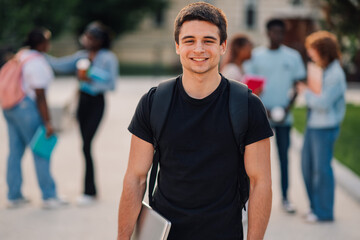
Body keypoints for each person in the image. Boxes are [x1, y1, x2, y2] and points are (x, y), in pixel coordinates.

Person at [117, 3, 273, 240]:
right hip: (165, 233)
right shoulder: (154, 102)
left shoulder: (247, 105)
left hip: (224, 233)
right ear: (178, 46)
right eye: (189, 40)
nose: (198, 49)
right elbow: (135, 178)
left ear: (223, 47)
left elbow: (260, 183)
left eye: (208, 41)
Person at [46, 21, 118, 206]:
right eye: (87, 36)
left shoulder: (108, 58)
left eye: (92, 37)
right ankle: (89, 191)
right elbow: (60, 65)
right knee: (84, 146)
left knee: (86, 145)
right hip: (82, 103)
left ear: (100, 40)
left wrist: (91, 75)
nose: (87, 40)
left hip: (97, 103)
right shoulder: (81, 56)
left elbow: (111, 84)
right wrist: (39, 54)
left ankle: (89, 191)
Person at [245, 18, 306, 213]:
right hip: (259, 118)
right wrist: (264, 109)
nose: (277, 36)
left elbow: (298, 85)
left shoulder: (293, 56)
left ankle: (286, 198)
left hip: (284, 118)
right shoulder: (256, 56)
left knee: (284, 158)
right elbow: (250, 87)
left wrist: (287, 108)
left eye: (280, 32)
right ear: (267, 32)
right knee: (254, 161)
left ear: (283, 34)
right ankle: (248, 199)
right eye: (273, 32)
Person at [2, 28, 68, 209]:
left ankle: (13, 195)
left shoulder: (21, 55)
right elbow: (40, 96)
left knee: (15, 152)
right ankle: (49, 196)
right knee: (41, 150)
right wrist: (47, 122)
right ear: (41, 44)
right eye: (47, 40)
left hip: (10, 107)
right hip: (26, 108)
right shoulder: (36, 62)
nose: (49, 44)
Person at [297, 31, 346, 223]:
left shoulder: (335, 74)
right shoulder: (323, 69)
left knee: (322, 171)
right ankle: (315, 207)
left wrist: (305, 92)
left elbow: (323, 103)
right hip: (313, 126)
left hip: (325, 128)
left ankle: (324, 212)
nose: (310, 54)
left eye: (313, 50)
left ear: (323, 51)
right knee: (307, 167)